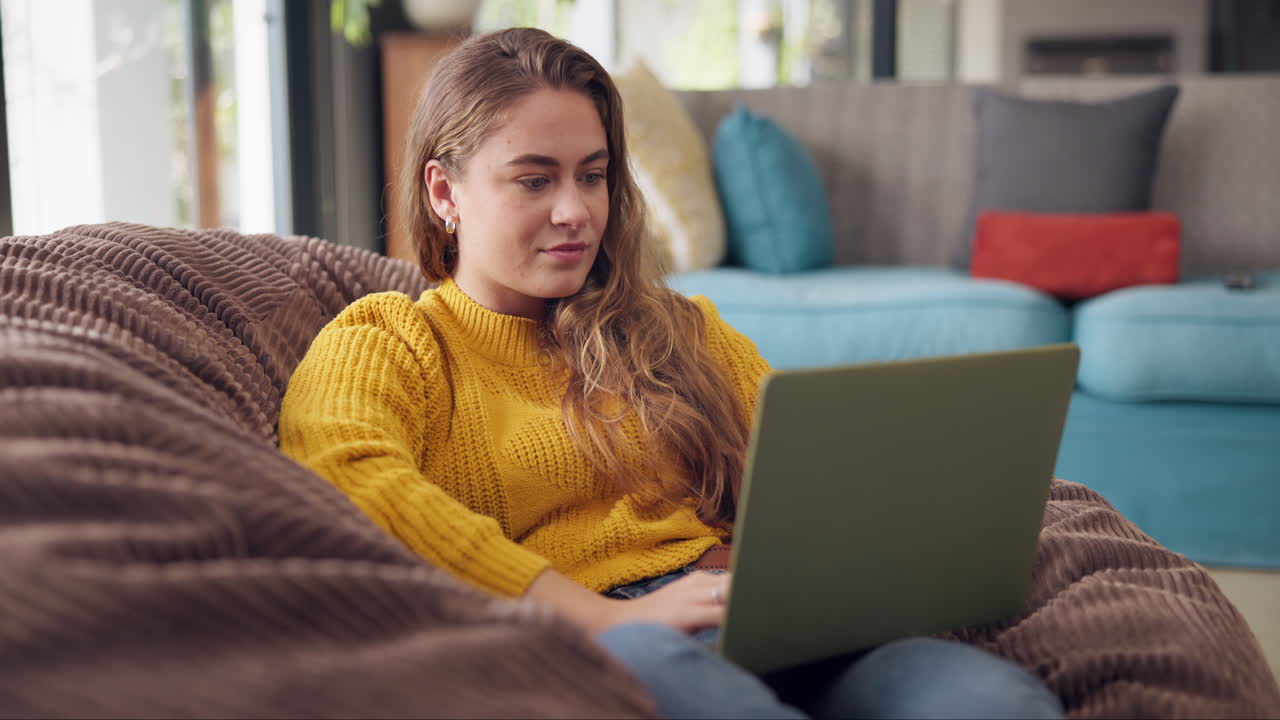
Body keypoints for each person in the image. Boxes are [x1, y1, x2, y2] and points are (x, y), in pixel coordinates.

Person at [279, 27, 1064, 720]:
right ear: (444, 191)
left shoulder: (679, 328)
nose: (576, 211)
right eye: (534, 179)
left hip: (762, 613)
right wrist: (602, 617)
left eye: (592, 175)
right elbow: (349, 482)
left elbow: (805, 476)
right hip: (600, 638)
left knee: (995, 701)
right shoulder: (391, 339)